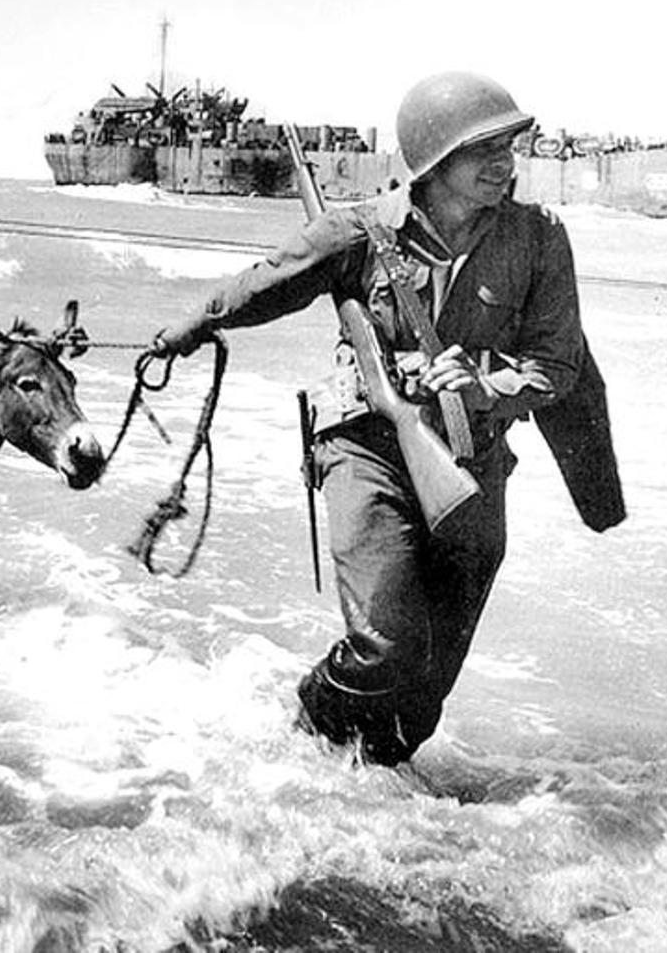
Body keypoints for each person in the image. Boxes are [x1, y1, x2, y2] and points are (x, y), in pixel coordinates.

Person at [151, 71, 624, 766]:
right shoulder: (359, 231)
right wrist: (191, 327)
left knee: (423, 695)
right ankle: (305, 728)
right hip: (366, 447)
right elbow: (264, 284)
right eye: (483, 150)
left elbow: (558, 365)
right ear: (435, 162)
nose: (504, 163)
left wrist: (485, 387)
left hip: (471, 459)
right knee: (386, 649)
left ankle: (367, 791)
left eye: (508, 147)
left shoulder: (539, 237)